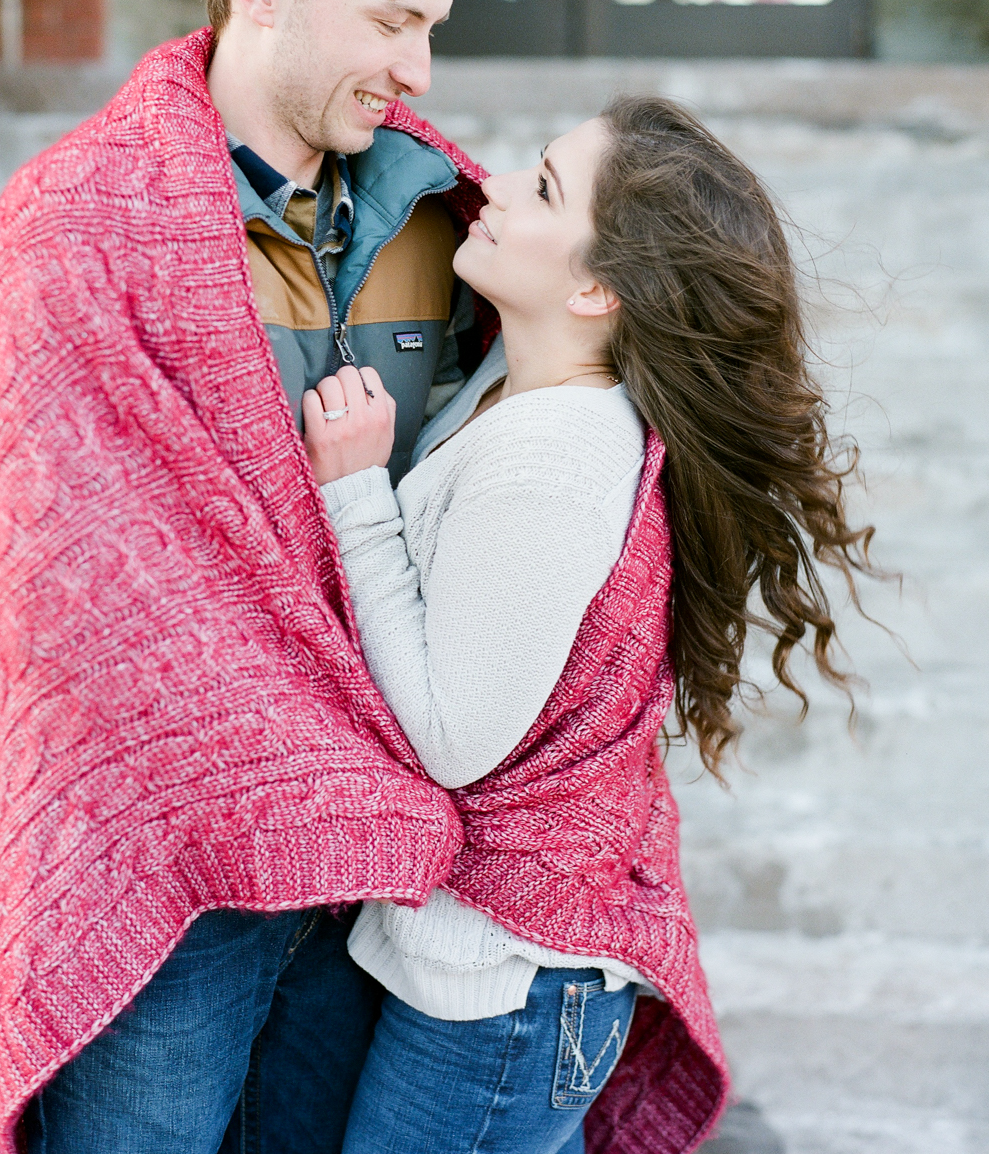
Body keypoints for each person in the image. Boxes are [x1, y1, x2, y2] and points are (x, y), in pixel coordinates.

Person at [0, 0, 490, 1154]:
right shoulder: (73, 221)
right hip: (161, 880)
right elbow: (79, 593)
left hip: (380, 879)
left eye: (431, 25)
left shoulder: (451, 226)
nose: (422, 70)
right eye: (392, 21)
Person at [304, 96, 876, 1154]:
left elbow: (451, 737)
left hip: (506, 989)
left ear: (596, 286)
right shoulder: (511, 383)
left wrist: (353, 498)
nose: (500, 188)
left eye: (544, 189)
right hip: (486, 963)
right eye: (534, 165)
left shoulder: (552, 463)